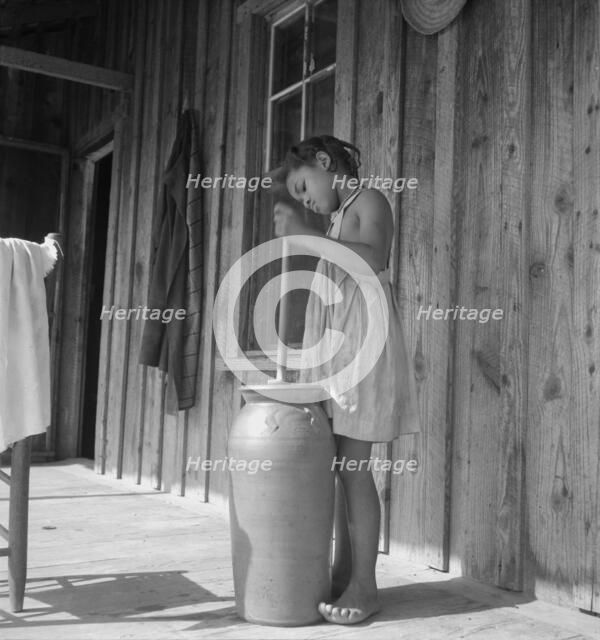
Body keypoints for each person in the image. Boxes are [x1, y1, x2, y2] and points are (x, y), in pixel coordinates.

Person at [271, 135, 421, 625]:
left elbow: (372, 260)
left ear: (323, 162)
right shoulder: (335, 220)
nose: (307, 201)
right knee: (339, 467)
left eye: (304, 186)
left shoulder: (370, 200)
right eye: (299, 199)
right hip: (338, 356)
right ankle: (342, 570)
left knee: (355, 468)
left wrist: (304, 235)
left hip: (364, 352)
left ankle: (365, 585)